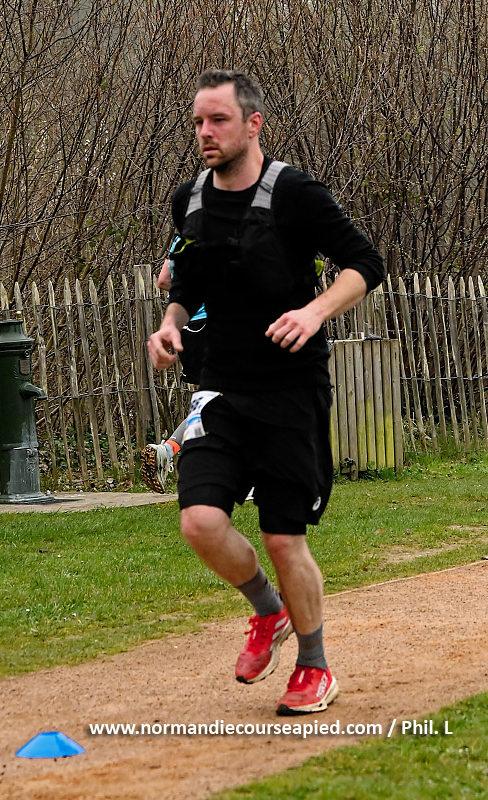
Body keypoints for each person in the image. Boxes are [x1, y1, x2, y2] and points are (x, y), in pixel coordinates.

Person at [148, 69, 385, 715]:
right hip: (220, 391)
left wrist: (314, 312)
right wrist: (170, 325)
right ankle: (267, 610)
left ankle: (315, 665)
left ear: (253, 124)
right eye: (198, 121)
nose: (205, 132)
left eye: (218, 120)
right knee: (200, 521)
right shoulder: (189, 200)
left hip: (290, 390)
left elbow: (366, 263)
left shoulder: (296, 193)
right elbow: (185, 285)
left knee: (284, 538)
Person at [141, 236, 207, 493]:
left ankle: (167, 451)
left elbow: (163, 281)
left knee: (212, 398)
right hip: (216, 326)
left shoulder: (181, 239)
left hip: (187, 329)